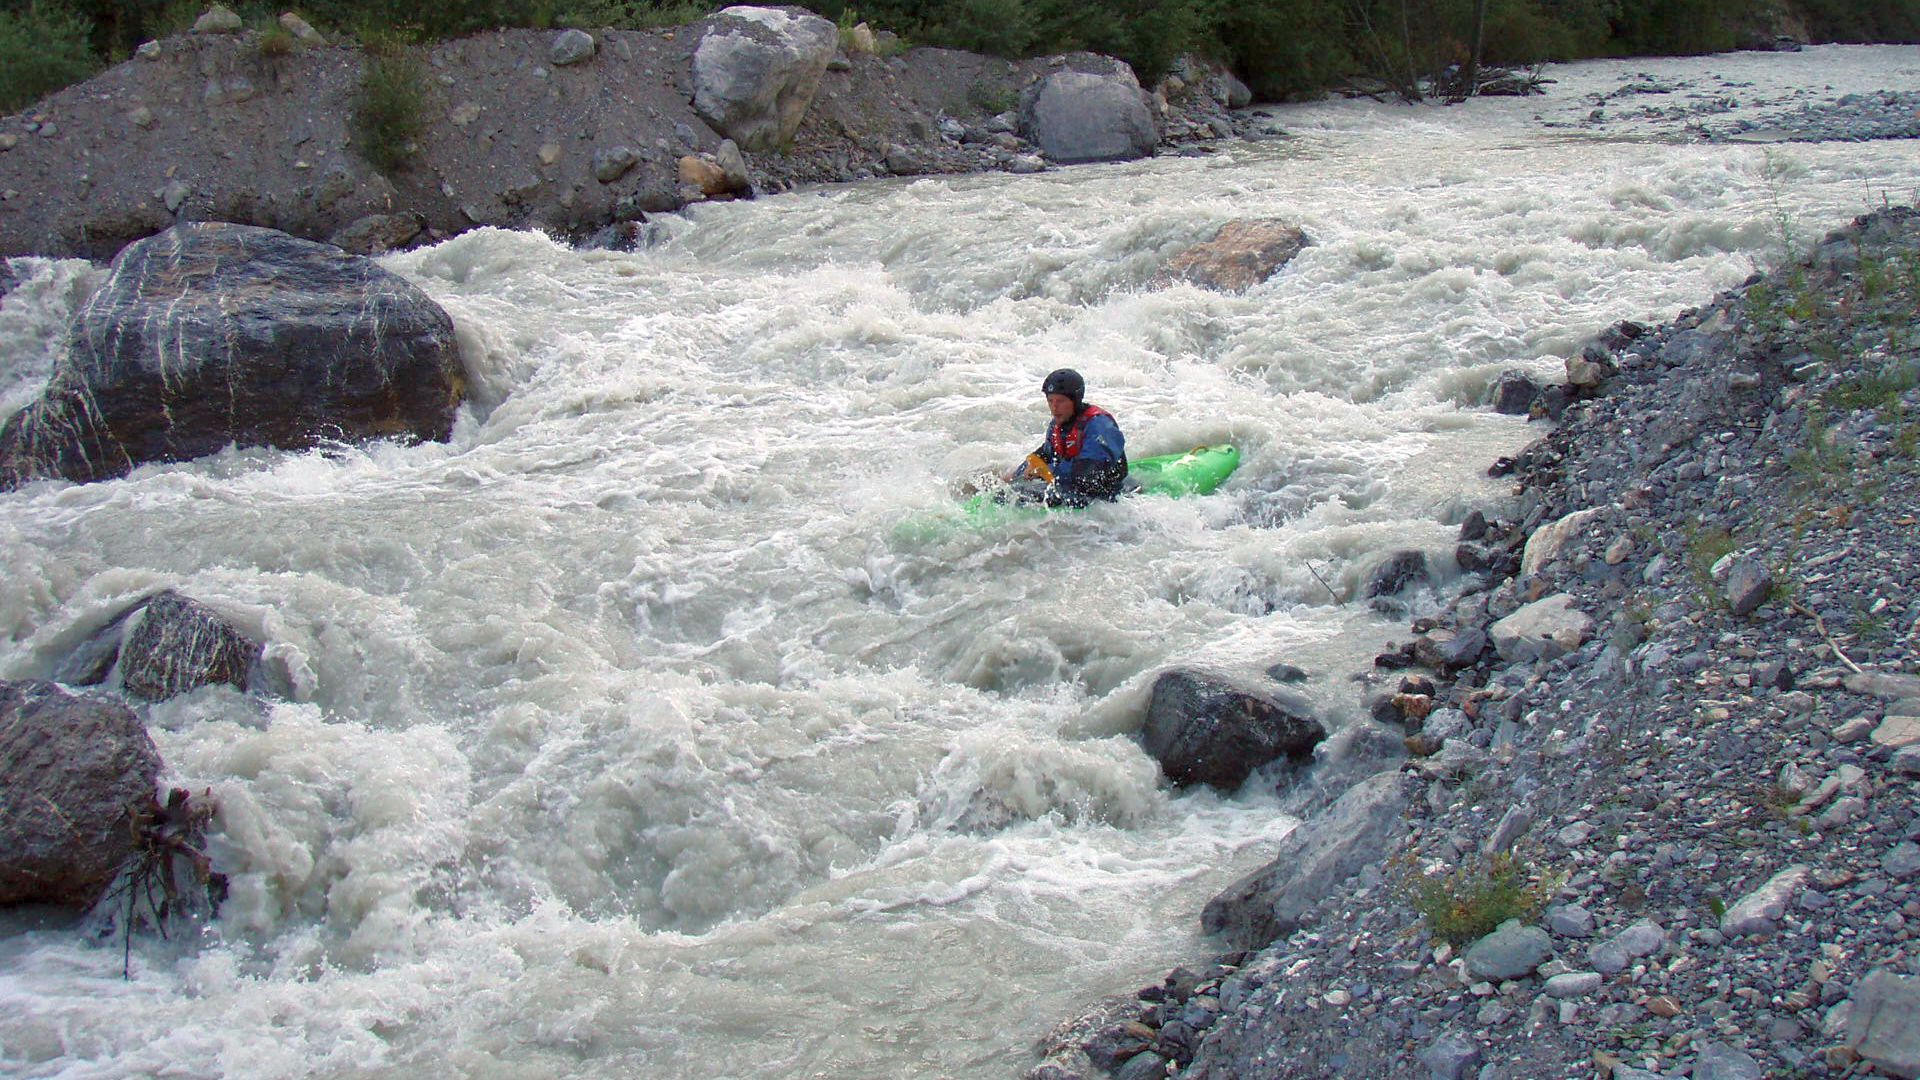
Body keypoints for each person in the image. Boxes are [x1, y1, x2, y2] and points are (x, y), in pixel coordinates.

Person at [1004, 368, 1128, 507]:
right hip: (1073, 488)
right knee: (1008, 493)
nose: (1054, 407)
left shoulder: (1099, 425)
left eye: (1061, 401)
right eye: (1050, 401)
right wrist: (1018, 475)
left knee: (1020, 497)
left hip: (1104, 495)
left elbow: (1087, 475)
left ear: (1075, 400)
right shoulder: (1058, 425)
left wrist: (1044, 471)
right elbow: (1045, 454)